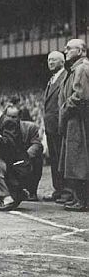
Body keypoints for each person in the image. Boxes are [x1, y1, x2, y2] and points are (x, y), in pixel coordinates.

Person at [58, 39, 89, 212]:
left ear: (81, 51)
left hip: (78, 120)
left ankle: (83, 200)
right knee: (75, 159)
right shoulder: (75, 69)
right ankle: (79, 197)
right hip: (74, 120)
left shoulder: (82, 68)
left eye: (69, 48)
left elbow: (80, 96)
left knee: (79, 159)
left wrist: (65, 107)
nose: (65, 50)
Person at [42, 51, 68, 202]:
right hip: (50, 125)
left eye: (53, 60)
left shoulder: (65, 77)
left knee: (61, 158)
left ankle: (65, 191)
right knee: (54, 159)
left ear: (62, 61)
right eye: (48, 60)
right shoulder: (52, 79)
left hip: (59, 125)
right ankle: (58, 189)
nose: (50, 62)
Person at [5, 105, 44, 201]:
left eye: (14, 117)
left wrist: (25, 156)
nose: (11, 119)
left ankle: (32, 191)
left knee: (38, 158)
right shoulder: (2, 128)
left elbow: (37, 144)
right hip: (11, 159)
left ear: (19, 117)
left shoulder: (31, 127)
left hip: (26, 158)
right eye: (8, 116)